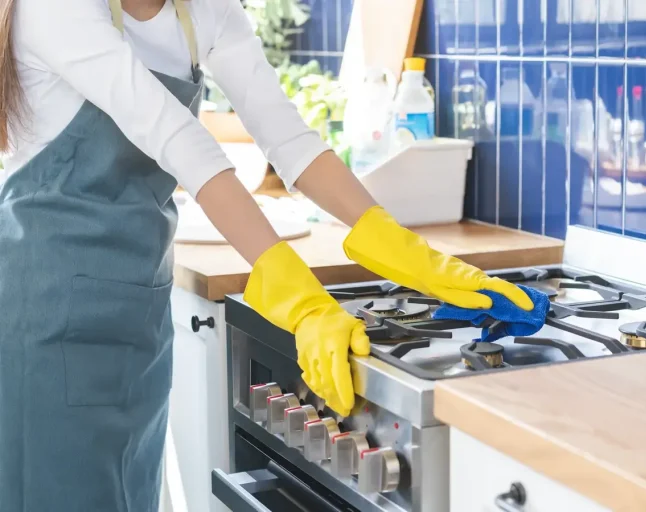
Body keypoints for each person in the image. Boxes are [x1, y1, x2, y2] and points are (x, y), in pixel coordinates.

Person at [0, 0, 534, 510]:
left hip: (134, 313)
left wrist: (400, 246)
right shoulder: (57, 6)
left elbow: (290, 138)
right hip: (41, 321)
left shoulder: (201, 11)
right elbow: (177, 138)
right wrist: (298, 296)